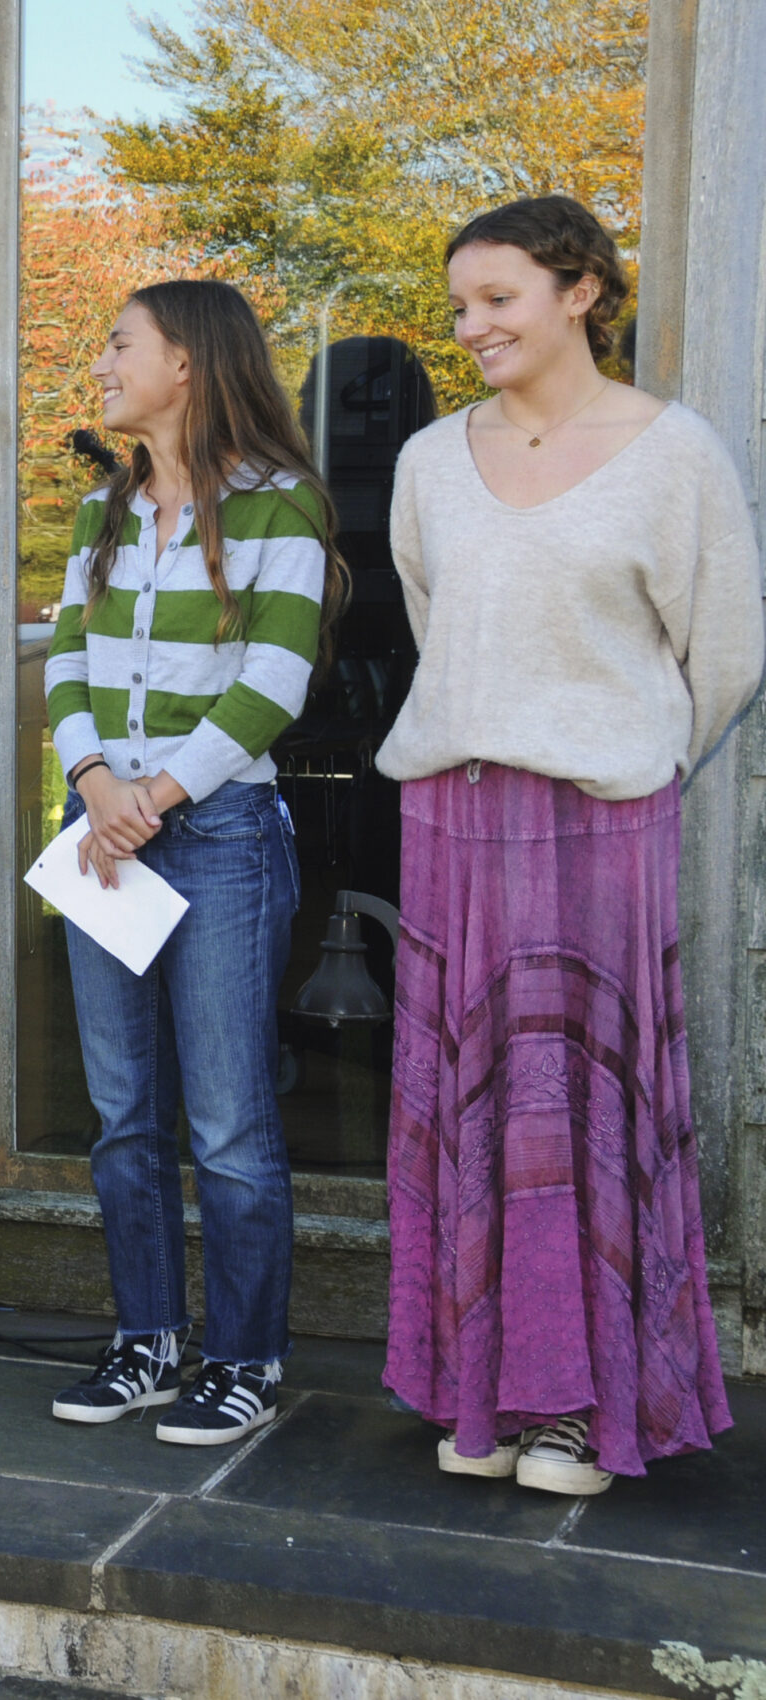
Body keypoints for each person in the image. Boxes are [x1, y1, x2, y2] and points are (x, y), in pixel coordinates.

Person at [377, 196, 762, 1495]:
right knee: (472, 1100)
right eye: (461, 304)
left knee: (576, 1104)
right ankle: (482, 1393)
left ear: (582, 290)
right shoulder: (431, 461)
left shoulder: (674, 454)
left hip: (601, 821)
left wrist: (630, 760)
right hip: (453, 813)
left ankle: (583, 1412)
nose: (471, 324)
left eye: (498, 298)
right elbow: (443, 625)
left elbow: (728, 656)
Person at [43, 280, 342, 1444]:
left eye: (121, 342)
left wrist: (156, 794)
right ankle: (148, 1340)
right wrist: (96, 790)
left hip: (215, 835)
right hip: (107, 831)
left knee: (224, 1117)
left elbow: (274, 680)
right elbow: (65, 664)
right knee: (122, 1113)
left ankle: (246, 1357)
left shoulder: (281, 507)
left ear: (188, 362)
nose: (103, 360)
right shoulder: (100, 514)